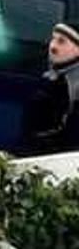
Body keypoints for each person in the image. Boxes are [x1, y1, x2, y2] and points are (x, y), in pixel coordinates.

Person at [24, 22, 79, 155]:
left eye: (62, 42)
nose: (53, 46)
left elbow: (71, 139)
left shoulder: (75, 86)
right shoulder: (50, 76)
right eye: (53, 39)